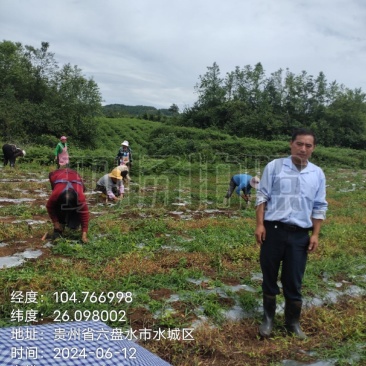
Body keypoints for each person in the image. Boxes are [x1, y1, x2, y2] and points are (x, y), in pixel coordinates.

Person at [255, 128, 328, 339]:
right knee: (269, 276)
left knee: (294, 280)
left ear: (313, 148)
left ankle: (292, 322)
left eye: (308, 145)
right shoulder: (275, 167)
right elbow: (262, 196)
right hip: (273, 231)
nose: (303, 149)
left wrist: (315, 234)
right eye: (299, 144)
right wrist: (260, 225)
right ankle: (268, 319)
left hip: (299, 236)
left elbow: (319, 205)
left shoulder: (317, 173)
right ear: (291, 144)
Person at [46, 168, 89, 243]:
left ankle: (71, 221)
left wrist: (84, 234)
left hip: (74, 176)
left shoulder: (80, 197)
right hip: (58, 176)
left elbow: (84, 214)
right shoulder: (56, 195)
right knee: (58, 208)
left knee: (74, 224)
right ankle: (59, 227)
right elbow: (50, 207)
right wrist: (55, 222)